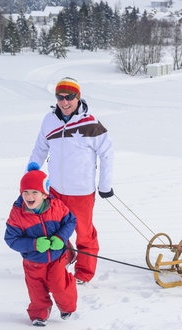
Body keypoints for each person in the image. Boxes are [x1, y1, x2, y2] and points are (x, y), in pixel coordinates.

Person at [28, 77, 114, 284]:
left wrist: (105, 186)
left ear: (78, 97)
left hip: (81, 191)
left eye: (69, 98)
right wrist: (31, 173)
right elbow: (40, 148)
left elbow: (107, 154)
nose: (64, 103)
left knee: (84, 234)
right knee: (56, 230)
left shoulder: (91, 123)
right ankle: (65, 256)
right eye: (60, 98)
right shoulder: (49, 120)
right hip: (55, 189)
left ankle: (84, 272)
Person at [4, 162, 77, 327]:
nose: (29, 196)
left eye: (35, 192)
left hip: (57, 257)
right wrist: (34, 244)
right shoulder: (17, 214)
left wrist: (61, 238)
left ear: (44, 194)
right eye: (25, 192)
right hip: (33, 261)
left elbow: (70, 221)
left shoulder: (57, 207)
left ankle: (67, 307)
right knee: (36, 290)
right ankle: (39, 315)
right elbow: (11, 239)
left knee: (59, 285)